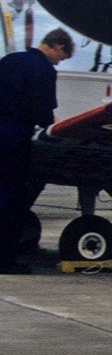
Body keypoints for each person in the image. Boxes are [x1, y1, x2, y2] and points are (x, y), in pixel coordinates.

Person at [0, 28, 74, 272]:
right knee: (12, 198)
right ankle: (5, 260)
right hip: (14, 137)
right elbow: (43, 114)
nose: (58, 62)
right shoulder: (44, 70)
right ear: (58, 47)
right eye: (60, 58)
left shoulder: (9, 60)